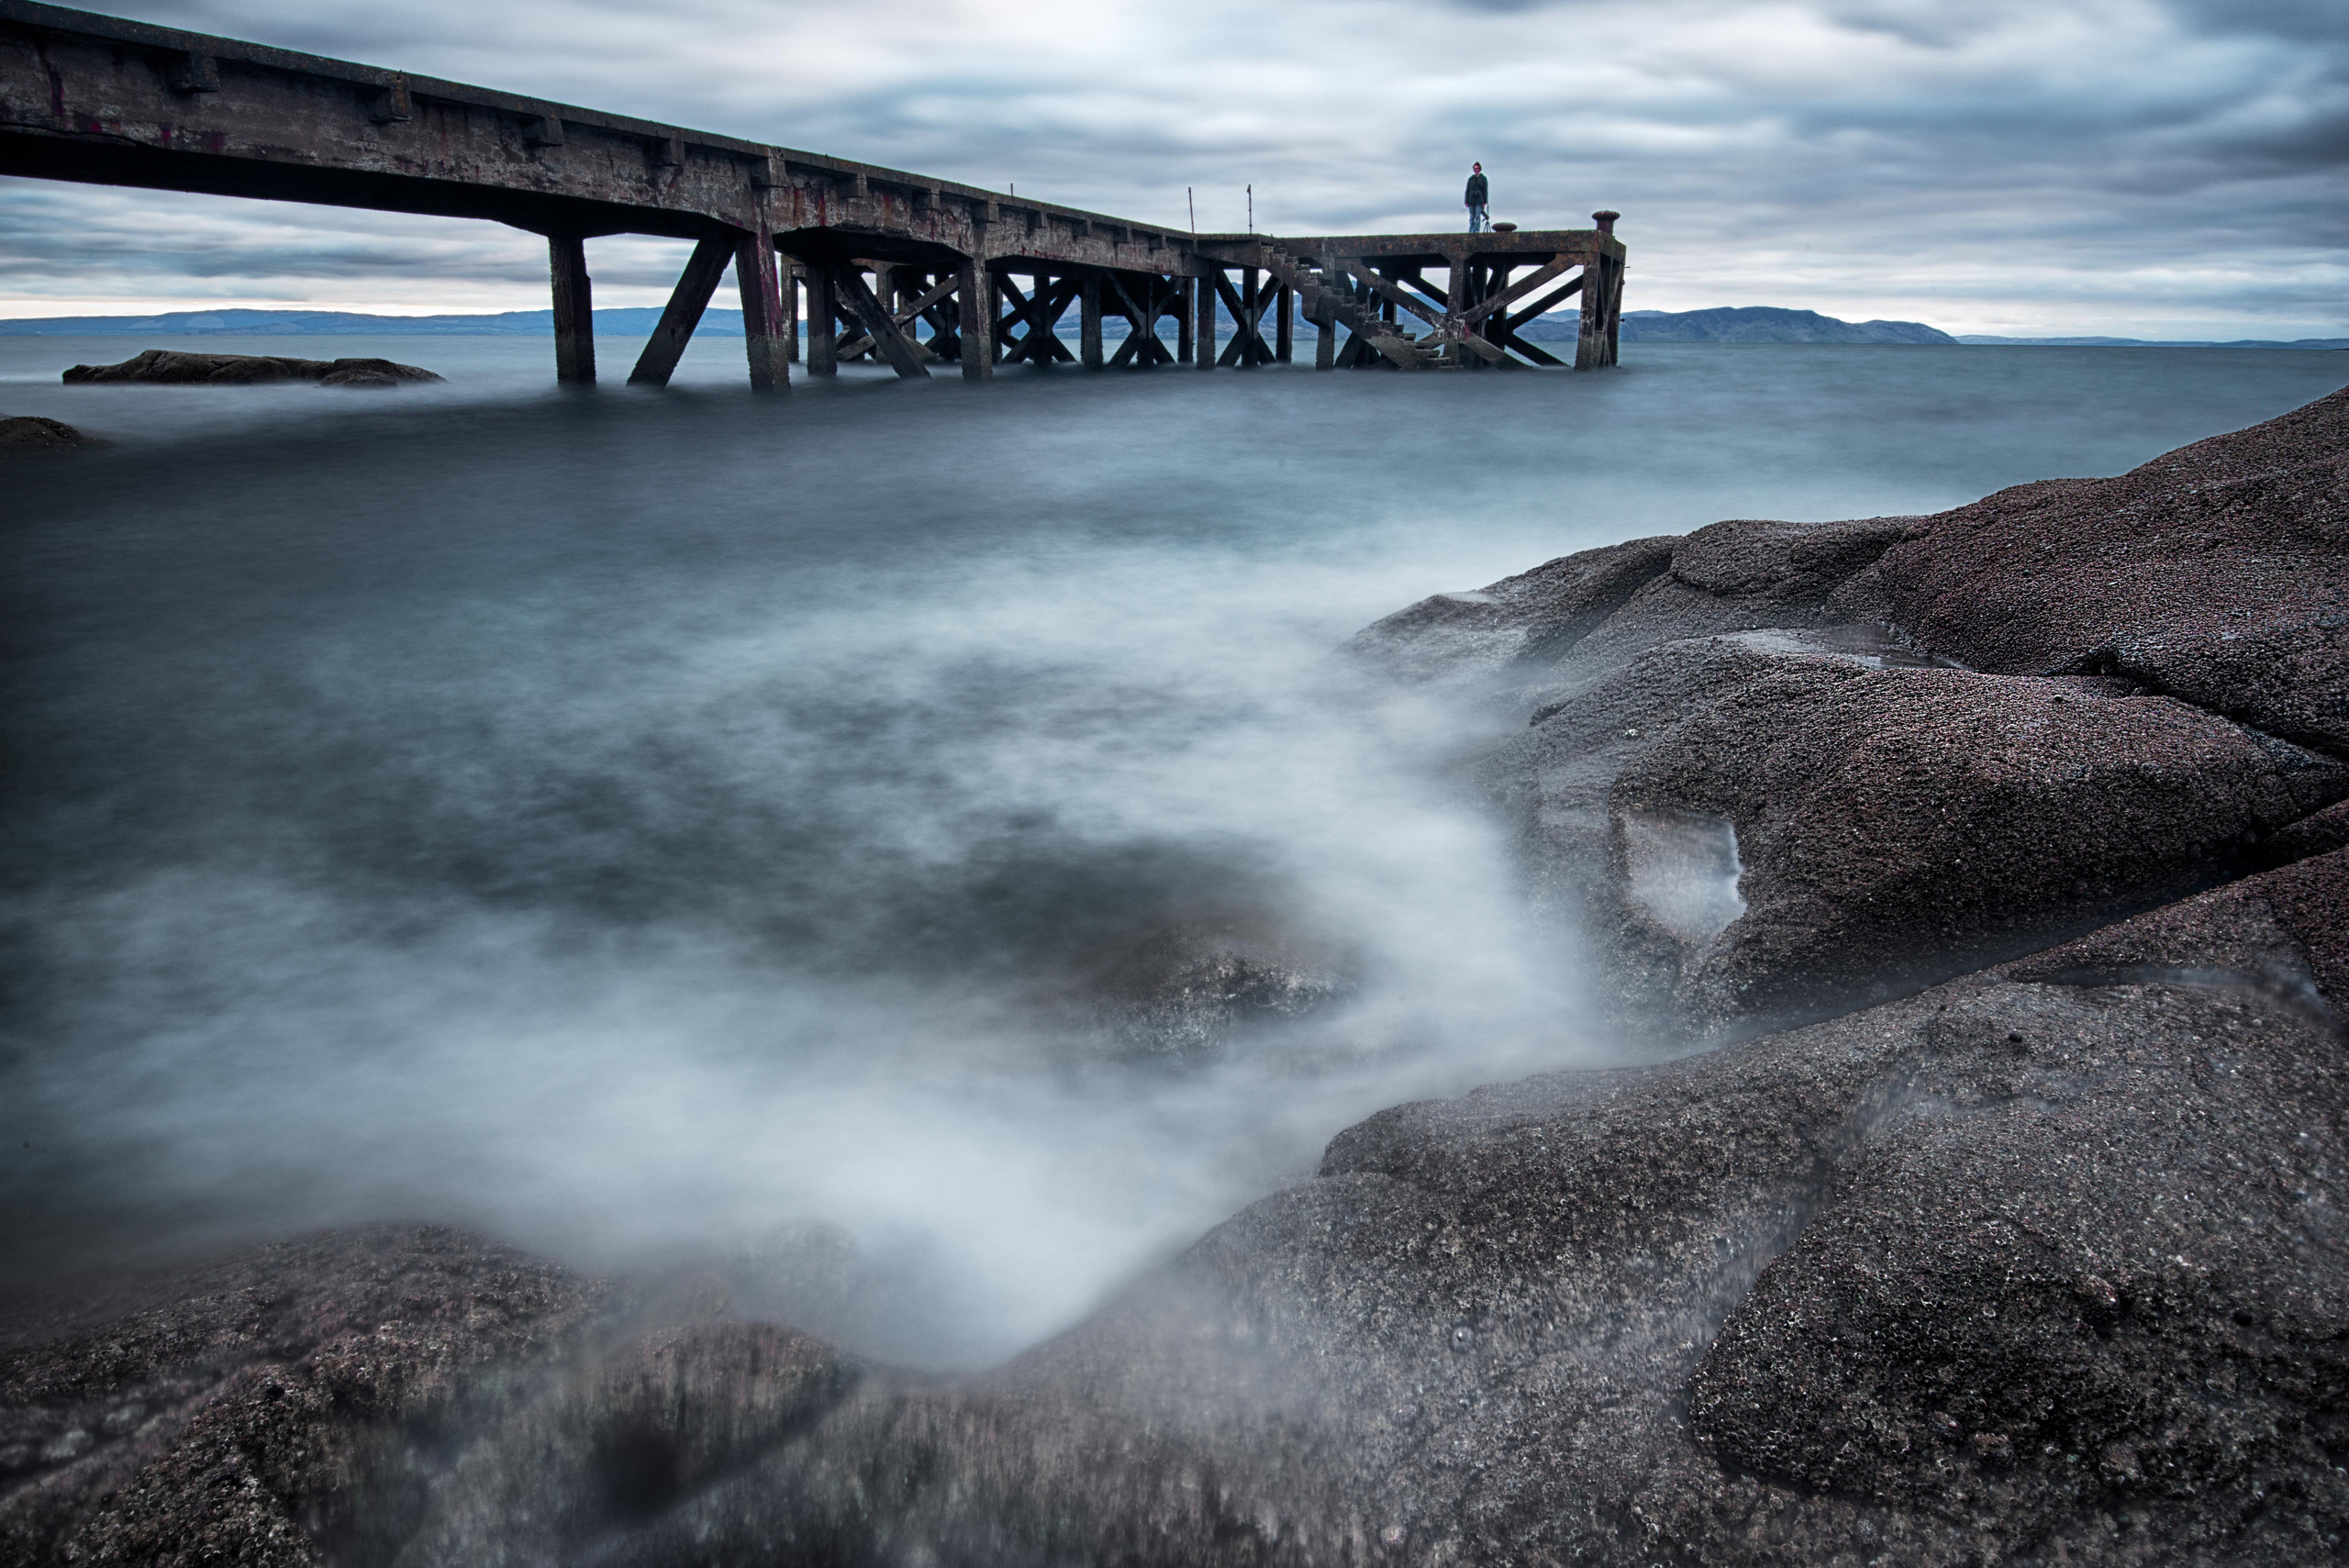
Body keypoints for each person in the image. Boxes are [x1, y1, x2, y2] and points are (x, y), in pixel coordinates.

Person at [1464, 162, 1489, 233]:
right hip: (1471, 200)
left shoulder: (1483, 179)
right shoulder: (1471, 179)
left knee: (1477, 216)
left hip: (1479, 200)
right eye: (1475, 169)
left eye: (1477, 168)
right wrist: (1466, 201)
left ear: (1480, 169)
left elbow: (1485, 190)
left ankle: (1476, 231)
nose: (1476, 170)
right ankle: (1471, 231)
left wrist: (1485, 201)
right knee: (1472, 217)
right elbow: (1467, 190)